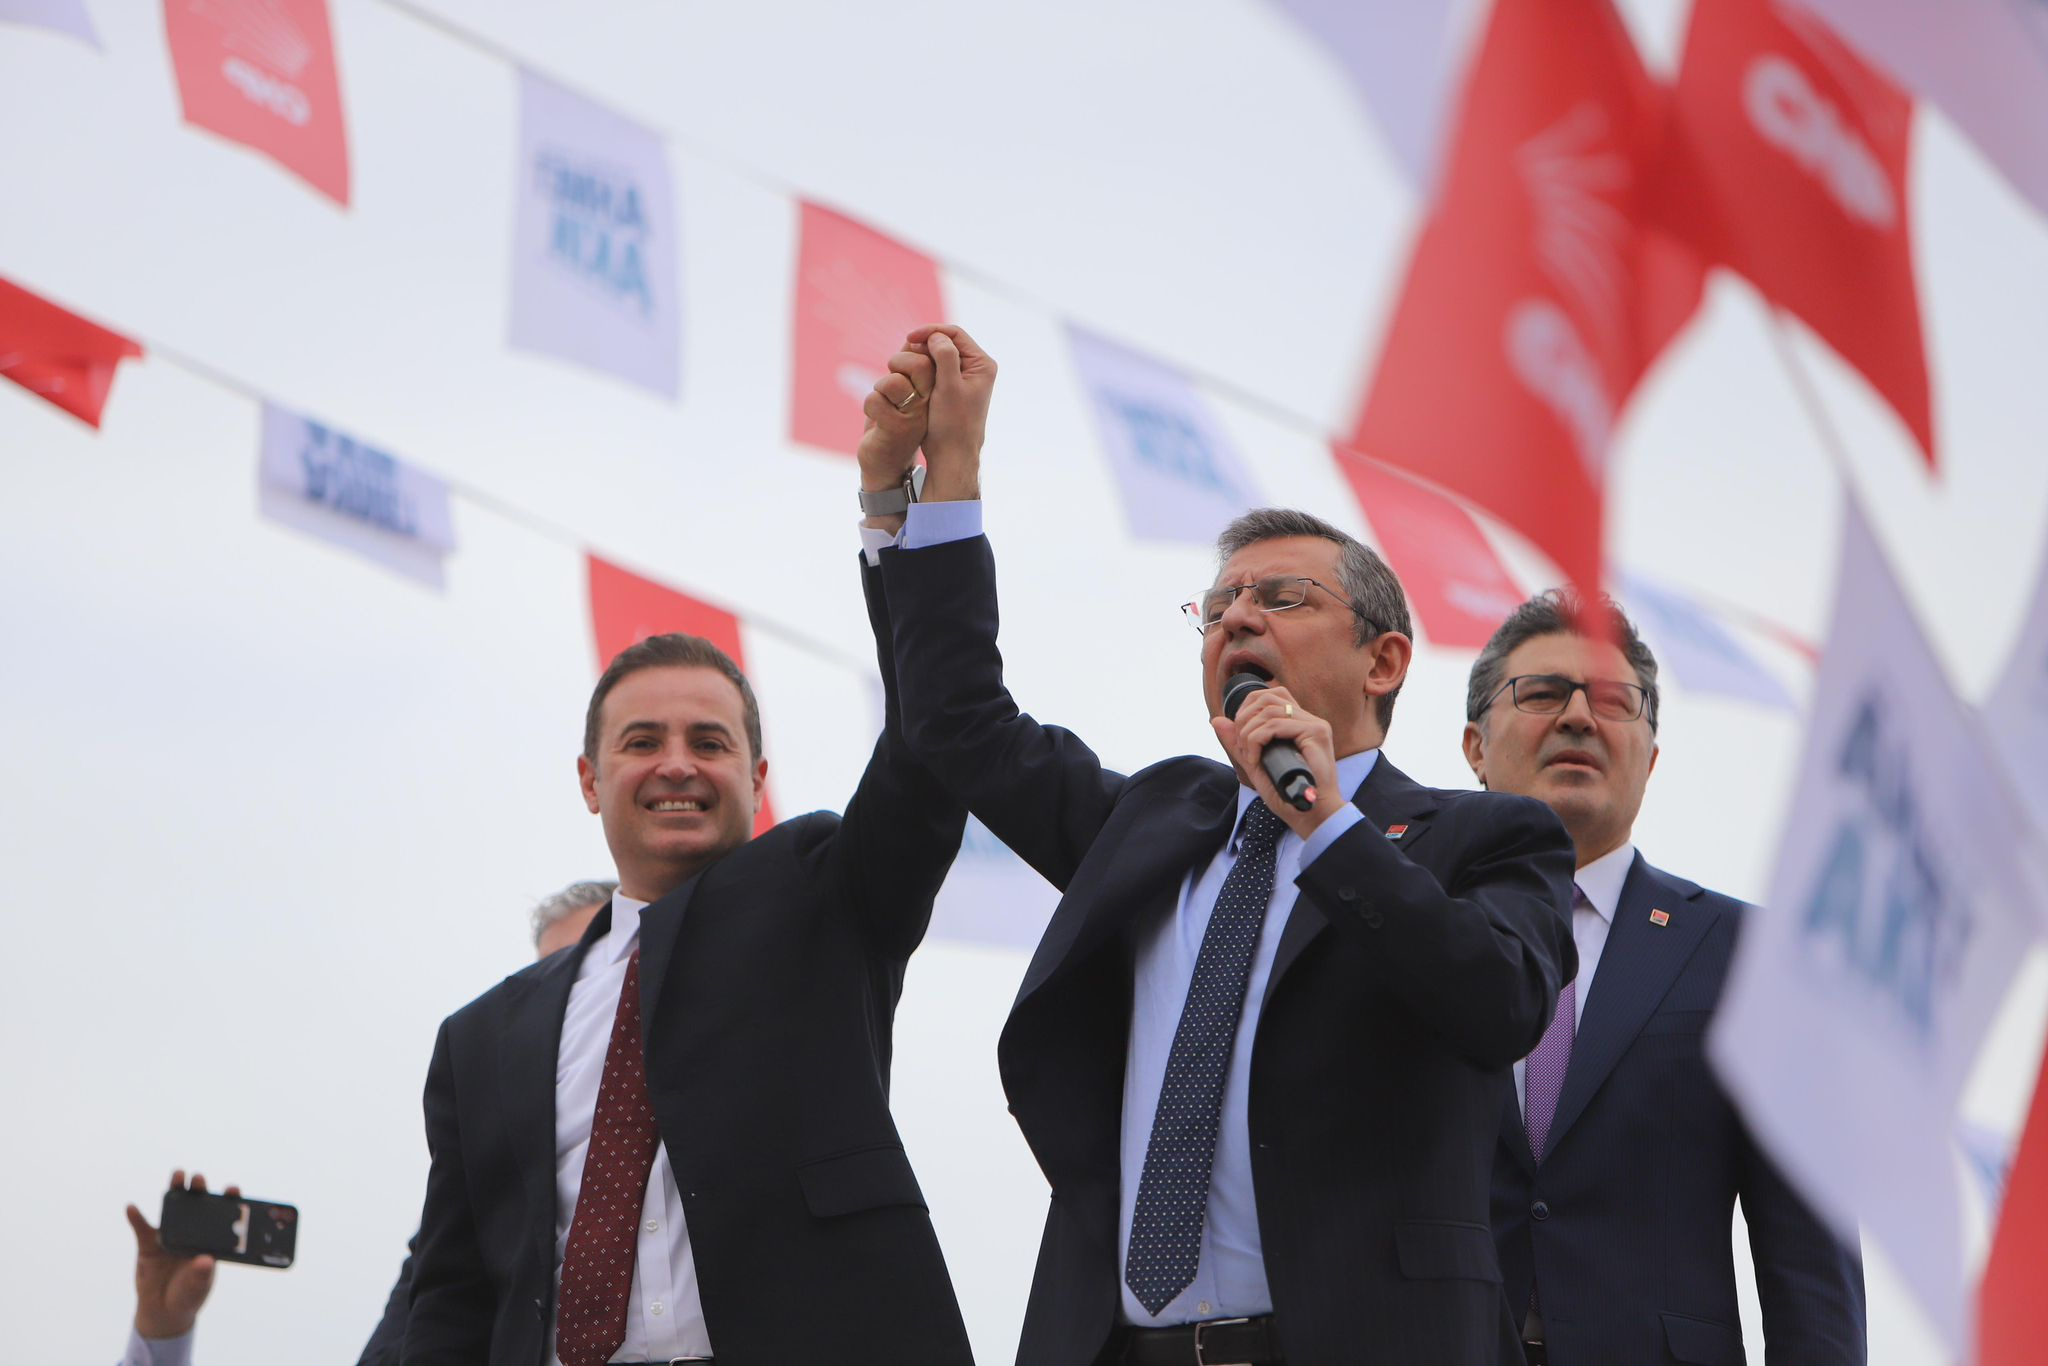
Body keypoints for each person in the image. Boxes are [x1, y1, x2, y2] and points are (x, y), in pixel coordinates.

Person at [860, 325, 1578, 1366]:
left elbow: (1497, 1000)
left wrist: (1325, 826)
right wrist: (926, 492)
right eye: (1218, 606)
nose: (1237, 617)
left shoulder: (1487, 837)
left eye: (1280, 598)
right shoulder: (1156, 822)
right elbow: (958, 723)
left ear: (1382, 661)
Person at [402, 617, 974, 1361]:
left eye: (708, 743)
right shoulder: (481, 1037)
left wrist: (909, 551)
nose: (677, 765)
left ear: (757, 780)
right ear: (590, 781)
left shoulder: (827, 901)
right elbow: (451, 1299)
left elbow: (925, 751)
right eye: (642, 743)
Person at [1463, 590, 1866, 1365]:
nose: (1578, 716)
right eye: (1543, 693)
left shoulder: (1752, 956)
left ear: (1649, 758)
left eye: (1615, 701)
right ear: (1475, 746)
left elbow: (1811, 1264)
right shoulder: (1406, 927)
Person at [118, 882, 620, 1366]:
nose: (568, 998)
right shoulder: (476, 1214)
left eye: (595, 971)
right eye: (550, 976)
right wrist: (163, 1331)